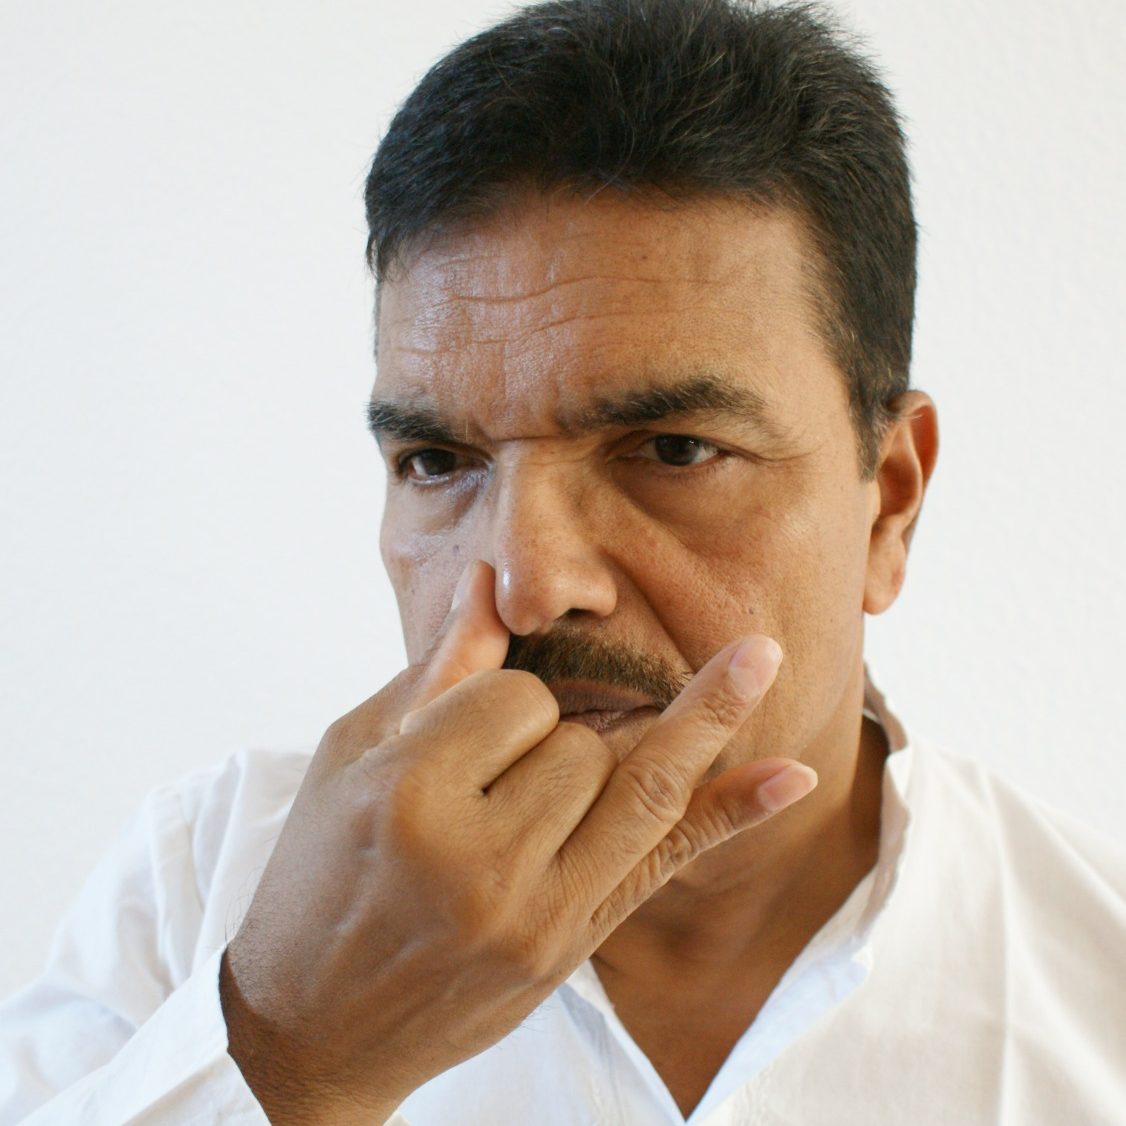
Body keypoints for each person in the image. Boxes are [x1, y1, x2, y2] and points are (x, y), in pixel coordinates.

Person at [2, 0, 1124, 1122]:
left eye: (673, 449)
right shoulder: (200, 894)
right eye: (438, 460)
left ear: (891, 504)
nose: (527, 583)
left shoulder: (1096, 985)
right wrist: (294, 1054)